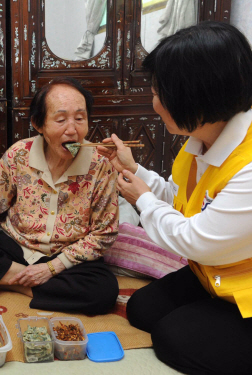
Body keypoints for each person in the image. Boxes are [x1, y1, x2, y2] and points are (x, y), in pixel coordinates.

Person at [97, 22, 252, 375]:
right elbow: (183, 200)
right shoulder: (202, 140)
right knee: (143, 310)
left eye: (158, 93)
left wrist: (143, 201)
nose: (153, 104)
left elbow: (196, 240)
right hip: (213, 274)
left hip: (240, 288)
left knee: (172, 338)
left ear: (195, 94)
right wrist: (135, 171)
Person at [0, 77, 120, 314]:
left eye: (80, 118)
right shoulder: (18, 155)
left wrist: (52, 268)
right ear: (39, 124)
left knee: (104, 291)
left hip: (65, 256)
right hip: (16, 245)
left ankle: (11, 283)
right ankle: (31, 285)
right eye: (60, 119)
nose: (73, 129)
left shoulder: (101, 165)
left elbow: (104, 233)